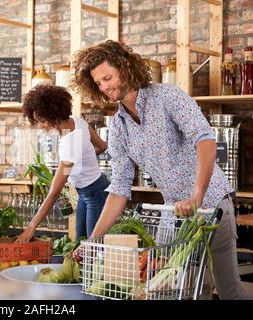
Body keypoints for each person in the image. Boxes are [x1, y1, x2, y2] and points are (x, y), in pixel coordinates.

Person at [70, 40, 251, 300]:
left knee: (228, 290)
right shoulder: (119, 126)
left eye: (108, 77)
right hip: (174, 216)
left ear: (125, 68)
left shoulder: (167, 96)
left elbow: (205, 140)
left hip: (212, 206)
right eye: (98, 83)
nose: (105, 86)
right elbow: (119, 188)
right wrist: (93, 239)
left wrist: (196, 197)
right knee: (186, 292)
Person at [16, 84, 110, 243]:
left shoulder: (69, 144)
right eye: (37, 121)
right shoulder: (78, 122)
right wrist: (80, 162)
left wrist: (31, 227)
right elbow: (102, 146)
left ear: (55, 115)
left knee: (92, 248)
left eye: (43, 121)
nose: (40, 126)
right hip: (86, 192)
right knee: (81, 244)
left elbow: (53, 193)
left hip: (97, 194)